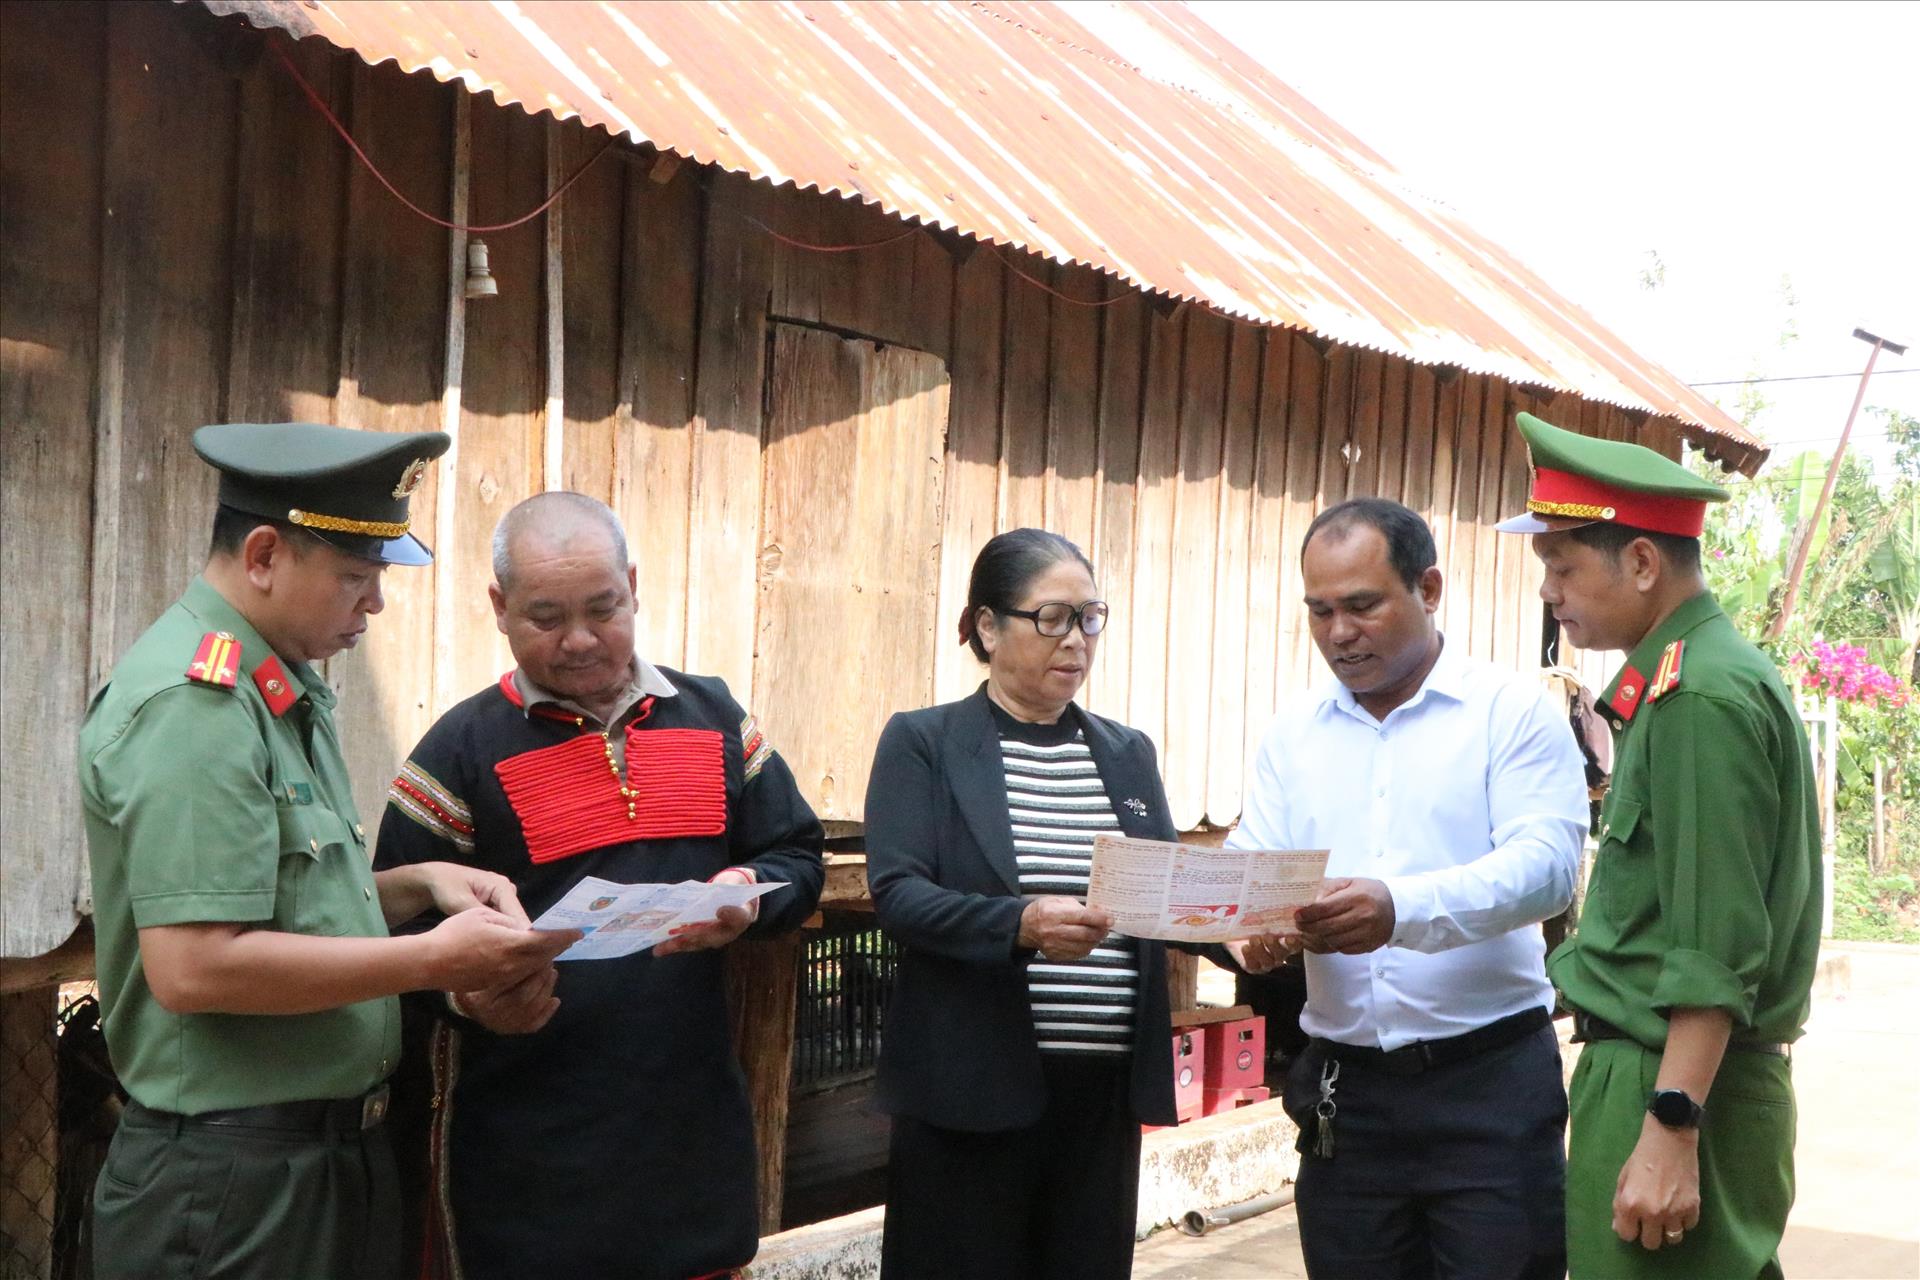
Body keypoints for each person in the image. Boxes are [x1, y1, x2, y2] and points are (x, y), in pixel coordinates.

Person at [79, 422, 579, 1280]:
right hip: (231, 1184)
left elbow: (281, 904)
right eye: (354, 576)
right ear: (264, 555)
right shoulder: (196, 705)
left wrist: (419, 884)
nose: (374, 602)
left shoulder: (272, 685)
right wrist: (431, 960)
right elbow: (195, 966)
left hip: (312, 1164)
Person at [372, 491, 825, 1280]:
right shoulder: (460, 752)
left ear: (634, 588)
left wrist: (747, 894)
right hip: (528, 1158)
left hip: (690, 1141)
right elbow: (394, 932)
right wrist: (465, 998)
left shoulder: (714, 717)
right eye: (546, 617)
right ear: (500, 608)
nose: (579, 640)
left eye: (603, 609)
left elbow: (798, 855)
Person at [1230, 497, 1590, 1280]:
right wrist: (1246, 929)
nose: (1339, 632)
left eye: (1362, 605)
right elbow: (1252, 859)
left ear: (1428, 589)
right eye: (1319, 610)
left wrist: (1401, 909)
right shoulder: (1294, 734)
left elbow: (1546, 868)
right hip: (1346, 1097)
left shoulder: (1509, 712)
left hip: (1489, 1089)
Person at [1499, 412, 1821, 1279]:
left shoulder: (1697, 698)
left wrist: (1671, 1127)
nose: (1549, 591)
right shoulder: (1698, 676)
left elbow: (1713, 944)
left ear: (1642, 563)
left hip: (1671, 1085)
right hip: (1668, 1078)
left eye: (1563, 566)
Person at [865, 528, 1236, 1280]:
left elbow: (1160, 892)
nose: (1076, 640)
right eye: (1053, 618)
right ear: (987, 627)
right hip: (970, 1089)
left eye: (1090, 618)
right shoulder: (925, 744)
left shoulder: (1125, 752)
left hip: (1100, 1097)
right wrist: (1021, 924)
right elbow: (899, 896)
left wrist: (1239, 935)